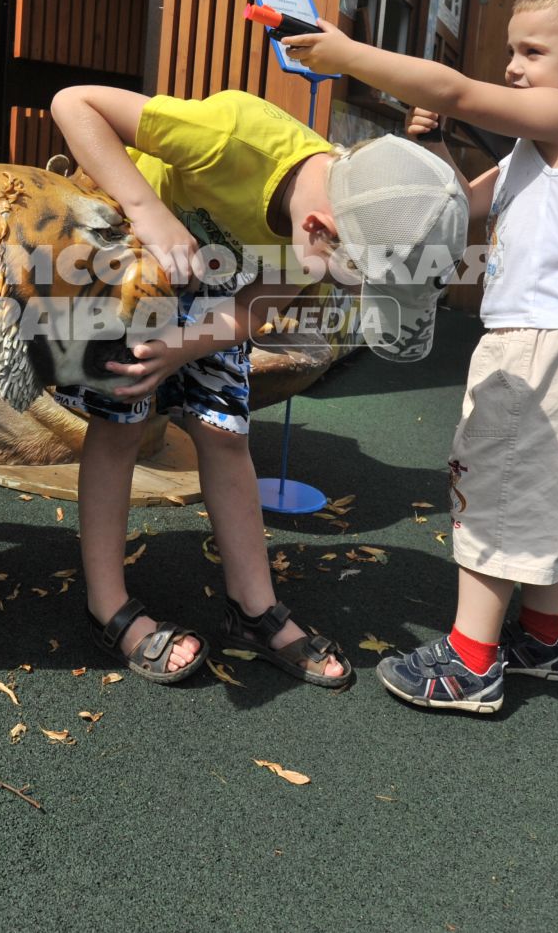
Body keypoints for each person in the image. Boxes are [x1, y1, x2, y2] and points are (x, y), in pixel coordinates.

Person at [287, 0, 558, 714]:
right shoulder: (535, 147)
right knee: (536, 492)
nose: (512, 66)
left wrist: (346, 53)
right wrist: (443, 145)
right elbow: (460, 210)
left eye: (531, 51)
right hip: (546, 337)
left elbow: (453, 86)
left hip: (540, 340)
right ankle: (542, 639)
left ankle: (470, 662)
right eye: (511, 51)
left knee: (489, 494)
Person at [47, 87, 465, 688]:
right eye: (356, 279)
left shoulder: (332, 216)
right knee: (121, 425)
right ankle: (108, 606)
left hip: (217, 287)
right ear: (319, 228)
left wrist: (184, 348)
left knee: (225, 434)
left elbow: (258, 303)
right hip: (136, 260)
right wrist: (146, 207)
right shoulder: (229, 137)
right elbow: (72, 104)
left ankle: (252, 607)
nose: (347, 292)